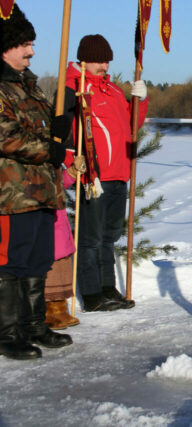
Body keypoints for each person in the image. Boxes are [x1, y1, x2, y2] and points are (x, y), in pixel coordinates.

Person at [0, 4, 73, 360]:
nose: (31, 50)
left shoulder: (30, 87)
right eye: (23, 44)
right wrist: (50, 148)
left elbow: (47, 131)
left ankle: (33, 325)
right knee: (12, 263)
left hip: (43, 190)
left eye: (32, 43)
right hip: (12, 194)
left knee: (38, 261)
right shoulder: (1, 88)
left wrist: (61, 125)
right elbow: (7, 136)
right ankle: (8, 332)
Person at [64, 34, 148, 312]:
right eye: (99, 60)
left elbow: (131, 124)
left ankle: (107, 288)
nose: (104, 65)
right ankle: (90, 294)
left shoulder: (111, 91)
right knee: (90, 238)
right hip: (93, 178)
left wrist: (141, 100)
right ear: (84, 60)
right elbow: (62, 133)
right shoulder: (72, 89)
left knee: (109, 235)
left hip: (118, 175)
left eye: (107, 60)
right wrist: (71, 163)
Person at [44, 155, 86, 330]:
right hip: (46, 220)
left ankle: (60, 309)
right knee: (48, 271)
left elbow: (59, 185)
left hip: (59, 220)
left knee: (61, 269)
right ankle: (46, 313)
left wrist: (72, 172)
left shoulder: (49, 164)